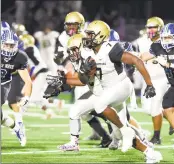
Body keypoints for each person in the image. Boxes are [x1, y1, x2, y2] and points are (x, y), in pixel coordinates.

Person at [46, 20, 162, 163]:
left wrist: (149, 84)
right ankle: (150, 153)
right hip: (102, 91)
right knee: (77, 111)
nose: (87, 38)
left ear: (100, 36)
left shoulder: (110, 49)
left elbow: (136, 61)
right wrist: (63, 82)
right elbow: (84, 80)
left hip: (120, 86)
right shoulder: (86, 53)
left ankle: (129, 132)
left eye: (90, 35)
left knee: (104, 109)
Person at [53, 11, 112, 147]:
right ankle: (105, 135)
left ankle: (113, 126)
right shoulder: (63, 37)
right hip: (79, 73)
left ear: (81, 25)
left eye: (74, 25)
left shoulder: (89, 33)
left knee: (90, 107)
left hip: (92, 74)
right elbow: (62, 55)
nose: (71, 28)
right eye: (69, 25)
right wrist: (60, 59)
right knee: (83, 112)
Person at [144, 23, 174, 149]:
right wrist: (127, 57)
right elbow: (143, 57)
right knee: (166, 105)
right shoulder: (157, 46)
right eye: (164, 38)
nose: (166, 41)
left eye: (169, 38)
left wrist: (168, 64)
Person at [1, 29, 32, 146]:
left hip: (3, 83)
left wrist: (27, 97)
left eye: (11, 45)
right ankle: (17, 127)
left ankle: (17, 125)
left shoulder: (20, 57)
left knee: (11, 102)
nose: (8, 48)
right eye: (6, 45)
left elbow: (27, 81)